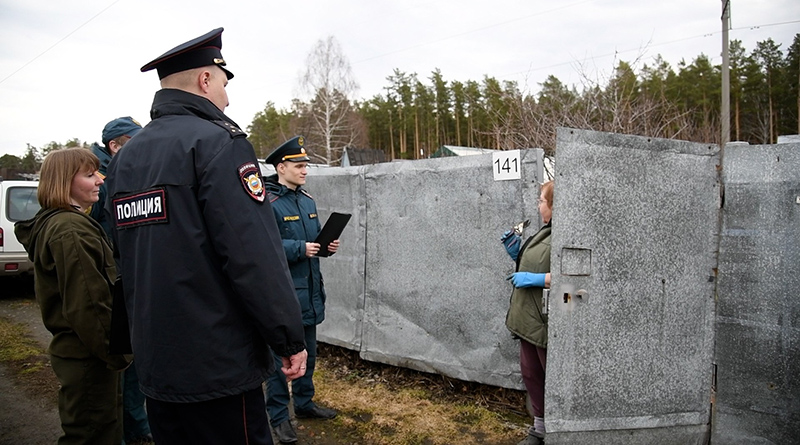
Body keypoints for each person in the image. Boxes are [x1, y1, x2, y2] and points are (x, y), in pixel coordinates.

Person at [104, 28, 308, 445]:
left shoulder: (126, 159)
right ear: (205, 80)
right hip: (218, 363)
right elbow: (253, 256)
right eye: (224, 84)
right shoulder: (218, 144)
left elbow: (124, 254)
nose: (228, 98)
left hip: (156, 360)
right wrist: (287, 337)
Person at [14, 147, 131, 444]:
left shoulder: (59, 221)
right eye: (90, 174)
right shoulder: (70, 229)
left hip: (83, 354)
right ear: (65, 181)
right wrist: (116, 354)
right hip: (90, 357)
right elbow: (89, 305)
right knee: (94, 433)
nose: (100, 180)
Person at [263, 136, 340, 444]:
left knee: (310, 355)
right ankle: (279, 417)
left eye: (306, 165)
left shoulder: (307, 201)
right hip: (283, 299)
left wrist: (327, 247)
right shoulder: (269, 203)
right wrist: (299, 248)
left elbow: (315, 245)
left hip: (309, 293)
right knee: (282, 362)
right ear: (281, 167)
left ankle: (305, 404)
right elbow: (261, 248)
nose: (305, 170)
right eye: (299, 165)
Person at [89, 116, 153, 445]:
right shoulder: (98, 178)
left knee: (136, 357)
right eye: (133, 141)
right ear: (115, 146)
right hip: (113, 280)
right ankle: (131, 428)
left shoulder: (123, 171)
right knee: (123, 360)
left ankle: (137, 423)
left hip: (129, 276)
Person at [501, 180, 553, 445]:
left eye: (541, 200)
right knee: (531, 373)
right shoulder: (544, 232)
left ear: (556, 205)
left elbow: (574, 280)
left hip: (548, 322)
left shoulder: (569, 235)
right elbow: (536, 261)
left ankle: (558, 430)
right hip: (529, 320)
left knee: (551, 377)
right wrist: (517, 254)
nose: (538, 205)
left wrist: (535, 279)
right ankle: (539, 429)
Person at [88, 116, 142, 238]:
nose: (141, 144)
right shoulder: (97, 182)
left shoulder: (129, 174)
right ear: (114, 146)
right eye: (135, 140)